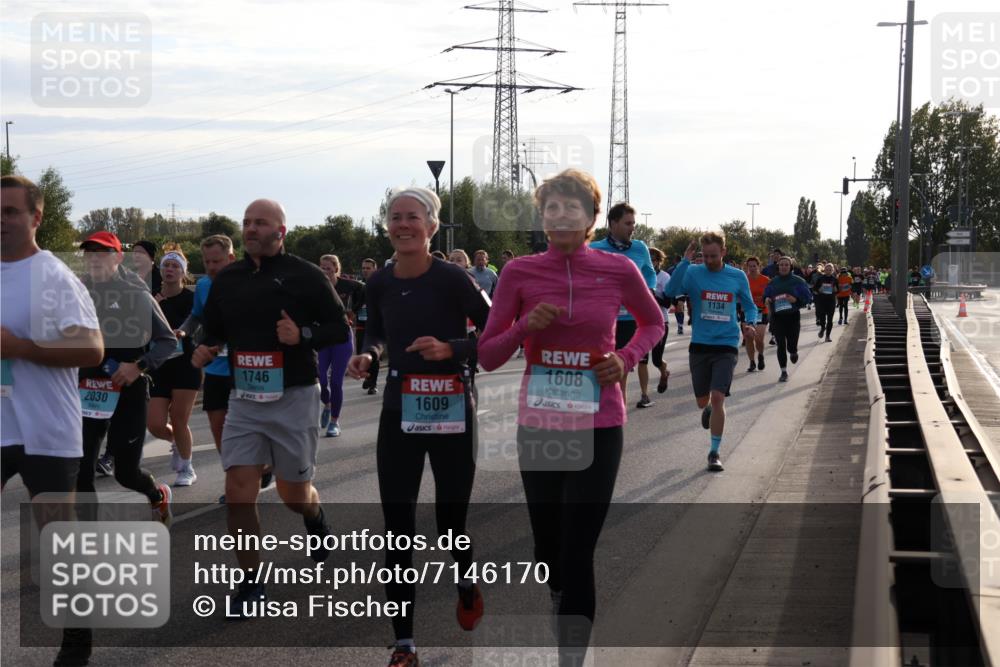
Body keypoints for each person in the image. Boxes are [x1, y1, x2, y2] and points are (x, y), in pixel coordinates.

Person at [478, 169, 662, 666]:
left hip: (600, 423)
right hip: (540, 424)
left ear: (591, 218)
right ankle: (559, 594)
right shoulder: (519, 273)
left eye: (571, 208)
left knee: (579, 548)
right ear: (542, 217)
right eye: (551, 208)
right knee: (549, 548)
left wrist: (624, 359)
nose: (560, 216)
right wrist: (523, 326)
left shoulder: (618, 270)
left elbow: (654, 321)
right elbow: (488, 355)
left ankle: (571, 657)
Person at [346, 187, 491, 667]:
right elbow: (379, 331)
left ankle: (466, 578)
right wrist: (370, 354)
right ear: (386, 225)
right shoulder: (381, 282)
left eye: (413, 217)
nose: (403, 224)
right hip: (399, 412)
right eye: (394, 217)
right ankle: (404, 643)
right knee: (397, 529)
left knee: (451, 522)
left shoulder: (453, 278)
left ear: (431, 226)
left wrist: (454, 349)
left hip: (452, 410)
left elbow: (495, 333)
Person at [192, 198, 350, 616]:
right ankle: (250, 582)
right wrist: (206, 348)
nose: (250, 228)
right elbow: (215, 329)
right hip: (245, 399)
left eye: (260, 222)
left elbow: (339, 327)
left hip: (295, 396)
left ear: (280, 231)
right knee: (239, 491)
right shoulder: (229, 280)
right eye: (246, 222)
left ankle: (313, 516)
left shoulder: (307, 275)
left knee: (292, 495)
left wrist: (303, 334)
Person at [2, 175, 104, 667]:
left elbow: (91, 349)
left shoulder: (54, 276)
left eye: (11, 212)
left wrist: (19, 348)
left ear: (36, 217)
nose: (1, 221)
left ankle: (77, 642)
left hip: (46, 430)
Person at [76, 231, 176, 524]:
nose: (94, 258)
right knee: (82, 471)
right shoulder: (80, 291)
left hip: (128, 390)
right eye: (89, 253)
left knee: (126, 473)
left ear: (118, 257)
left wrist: (138, 366)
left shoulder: (136, 293)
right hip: (90, 388)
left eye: (102, 252)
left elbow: (168, 341)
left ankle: (157, 495)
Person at [663, 232, 758, 472]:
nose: (708, 260)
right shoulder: (693, 272)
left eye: (713, 256)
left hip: (726, 344)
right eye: (704, 256)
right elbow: (670, 291)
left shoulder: (736, 276)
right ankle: (707, 410)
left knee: (718, 398)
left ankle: (714, 452)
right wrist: (684, 262)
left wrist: (751, 324)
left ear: (723, 253)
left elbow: (749, 305)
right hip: (700, 345)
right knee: (702, 401)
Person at [589, 202, 657, 408]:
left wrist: (648, 291)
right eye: (628, 223)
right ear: (613, 223)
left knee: (622, 371)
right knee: (608, 372)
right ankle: (612, 413)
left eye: (633, 223)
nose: (632, 228)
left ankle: (616, 415)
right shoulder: (594, 249)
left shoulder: (639, 248)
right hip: (604, 321)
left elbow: (650, 273)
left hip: (631, 321)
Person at [146, 246, 203, 486]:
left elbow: (193, 323)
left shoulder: (191, 298)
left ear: (183, 273)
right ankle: (179, 445)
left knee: (179, 419)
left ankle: (187, 469)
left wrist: (181, 331)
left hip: (185, 365)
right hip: (159, 366)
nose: (169, 269)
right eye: (166, 265)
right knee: (156, 424)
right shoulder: (149, 296)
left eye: (175, 266)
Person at [318, 254, 363, 437]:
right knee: (320, 379)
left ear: (336, 269)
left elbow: (366, 291)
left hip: (343, 339)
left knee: (336, 382)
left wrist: (354, 311)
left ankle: (335, 422)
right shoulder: (317, 286)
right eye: (322, 267)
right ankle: (327, 405)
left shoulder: (348, 285)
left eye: (328, 268)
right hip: (323, 338)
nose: (325, 271)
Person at [763, 256, 813, 382]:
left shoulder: (798, 281)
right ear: (778, 267)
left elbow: (808, 298)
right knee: (780, 344)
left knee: (791, 343)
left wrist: (796, 300)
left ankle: (793, 351)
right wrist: (767, 299)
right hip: (777, 317)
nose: (783, 267)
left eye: (786, 265)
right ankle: (783, 372)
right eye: (781, 265)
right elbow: (766, 295)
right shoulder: (773, 282)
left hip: (792, 317)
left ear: (790, 267)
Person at [649, 247, 672, 392]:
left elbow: (668, 303)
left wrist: (652, 294)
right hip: (642, 322)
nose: (650, 263)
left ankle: (664, 372)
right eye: (648, 260)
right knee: (642, 360)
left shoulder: (664, 277)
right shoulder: (640, 275)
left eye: (653, 260)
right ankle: (644, 394)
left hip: (660, 321)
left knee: (656, 360)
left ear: (659, 261)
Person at [357, 257, 380, 395]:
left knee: (374, 354)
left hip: (376, 325)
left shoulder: (380, 284)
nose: (365, 270)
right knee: (362, 352)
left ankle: (373, 383)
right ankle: (368, 377)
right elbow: (354, 304)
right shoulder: (358, 285)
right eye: (364, 268)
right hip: (361, 324)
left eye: (368, 268)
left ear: (374, 269)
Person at [743, 256, 770, 372]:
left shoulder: (766, 280)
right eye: (750, 266)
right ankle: (752, 362)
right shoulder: (744, 280)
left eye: (754, 266)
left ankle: (761, 355)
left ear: (759, 266)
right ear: (747, 267)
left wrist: (768, 299)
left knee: (759, 338)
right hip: (747, 312)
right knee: (749, 337)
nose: (752, 268)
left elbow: (771, 294)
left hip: (762, 311)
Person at [812, 263, 838, 343]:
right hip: (822, 301)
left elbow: (838, 290)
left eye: (830, 270)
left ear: (832, 270)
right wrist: (819, 289)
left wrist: (835, 289)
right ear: (825, 270)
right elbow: (814, 288)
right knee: (822, 319)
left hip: (831, 301)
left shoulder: (835, 279)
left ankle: (827, 336)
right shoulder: (820, 278)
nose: (828, 271)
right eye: (827, 269)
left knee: (830, 320)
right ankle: (823, 328)